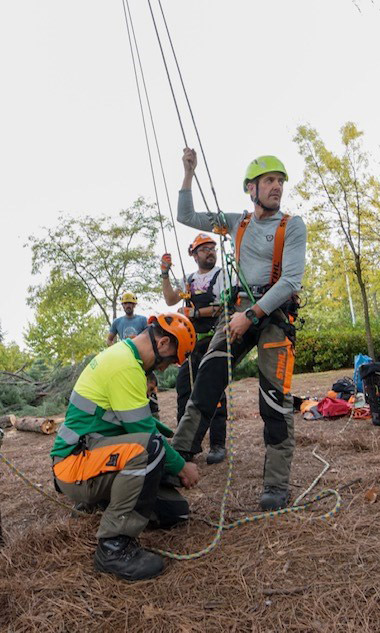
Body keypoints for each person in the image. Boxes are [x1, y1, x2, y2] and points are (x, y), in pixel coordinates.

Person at [172, 149, 307, 511]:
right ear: (252, 188)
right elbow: (186, 215)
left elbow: (291, 279)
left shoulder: (291, 226)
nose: (276, 187)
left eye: (280, 181)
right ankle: (173, 464)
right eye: (269, 181)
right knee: (206, 381)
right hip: (237, 312)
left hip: (273, 315)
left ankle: (276, 484)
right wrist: (188, 173)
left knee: (273, 400)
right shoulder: (238, 223)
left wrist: (252, 314)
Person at [50, 313, 199, 581]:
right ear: (163, 344)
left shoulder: (124, 357)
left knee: (175, 512)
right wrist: (182, 467)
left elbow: (134, 426)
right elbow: (144, 434)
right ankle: (113, 546)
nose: (163, 370)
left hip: (92, 459)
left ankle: (101, 502)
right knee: (151, 449)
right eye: (168, 362)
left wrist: (173, 464)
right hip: (74, 465)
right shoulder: (124, 365)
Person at [160, 233, 228, 464]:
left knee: (214, 389)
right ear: (194, 254)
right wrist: (164, 272)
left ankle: (218, 443)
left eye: (212, 248)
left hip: (214, 338)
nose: (210, 252)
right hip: (192, 343)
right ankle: (185, 443)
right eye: (204, 249)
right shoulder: (188, 280)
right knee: (184, 388)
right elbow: (170, 299)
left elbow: (226, 305)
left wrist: (196, 312)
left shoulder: (221, 275)